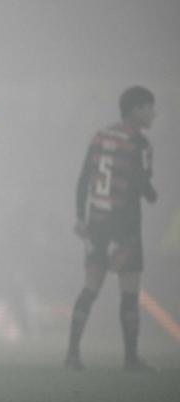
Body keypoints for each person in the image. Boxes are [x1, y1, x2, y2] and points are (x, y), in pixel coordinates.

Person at [65, 86, 157, 372]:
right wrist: (152, 193)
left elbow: (83, 179)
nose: (153, 113)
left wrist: (81, 216)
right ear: (136, 110)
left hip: (96, 225)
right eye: (149, 107)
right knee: (129, 291)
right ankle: (131, 358)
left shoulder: (101, 136)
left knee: (91, 287)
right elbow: (139, 187)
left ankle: (72, 354)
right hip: (124, 226)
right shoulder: (140, 144)